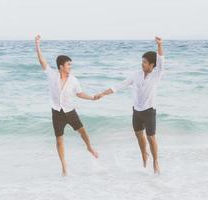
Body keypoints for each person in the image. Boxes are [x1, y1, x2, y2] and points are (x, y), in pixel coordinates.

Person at [94, 37, 164, 174]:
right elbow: (119, 86)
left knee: (151, 137)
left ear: (152, 65)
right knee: (139, 136)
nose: (142, 64)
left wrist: (160, 45)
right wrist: (102, 93)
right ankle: (144, 154)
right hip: (136, 112)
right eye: (142, 61)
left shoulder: (157, 75)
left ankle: (155, 162)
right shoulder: (135, 75)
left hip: (149, 111)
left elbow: (161, 60)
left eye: (144, 62)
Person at [35, 35, 99, 176]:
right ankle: (64, 166)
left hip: (70, 111)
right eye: (68, 65)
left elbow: (79, 93)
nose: (70, 67)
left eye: (70, 65)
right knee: (59, 140)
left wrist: (92, 98)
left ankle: (89, 147)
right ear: (61, 66)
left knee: (83, 131)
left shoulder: (74, 80)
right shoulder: (52, 75)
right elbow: (42, 61)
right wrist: (37, 44)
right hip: (57, 112)